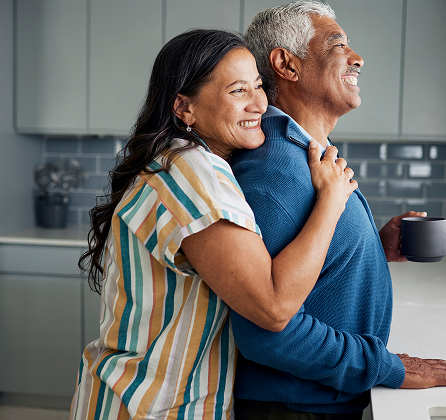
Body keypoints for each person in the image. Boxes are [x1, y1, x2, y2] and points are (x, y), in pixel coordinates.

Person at [69, 28, 358, 420]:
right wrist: (331, 201)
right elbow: (273, 307)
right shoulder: (192, 174)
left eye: (258, 86)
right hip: (150, 407)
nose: (259, 103)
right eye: (238, 91)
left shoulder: (187, 162)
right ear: (184, 108)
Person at [229, 2, 446, 419]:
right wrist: (387, 366)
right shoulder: (275, 170)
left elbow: (304, 272)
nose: (356, 57)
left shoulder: (302, 154)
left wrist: (373, 247)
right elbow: (269, 334)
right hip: (294, 408)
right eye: (336, 43)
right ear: (287, 64)